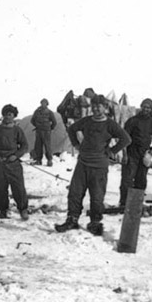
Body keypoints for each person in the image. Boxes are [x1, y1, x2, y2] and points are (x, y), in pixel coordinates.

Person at [55, 94, 131, 235]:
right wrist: (76, 145)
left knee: (97, 196)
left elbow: (126, 139)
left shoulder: (110, 124)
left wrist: (112, 151)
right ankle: (72, 220)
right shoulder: (86, 121)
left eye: (99, 106)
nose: (96, 108)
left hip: (99, 165)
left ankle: (95, 222)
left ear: (105, 107)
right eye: (94, 106)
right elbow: (72, 129)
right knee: (75, 193)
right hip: (82, 163)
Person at [0, 104, 30, 220]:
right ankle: (2, 210)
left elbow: (24, 146)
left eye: (10, 114)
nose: (7, 117)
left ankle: (23, 209)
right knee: (0, 187)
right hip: (0, 162)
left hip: (13, 163)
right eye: (5, 114)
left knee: (18, 187)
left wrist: (15, 156)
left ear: (14, 116)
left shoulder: (17, 130)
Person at [117, 98, 152, 209]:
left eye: (148, 107)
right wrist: (125, 154)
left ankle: (136, 203)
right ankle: (124, 203)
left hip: (143, 155)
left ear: (151, 109)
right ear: (141, 107)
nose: (146, 109)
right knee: (127, 180)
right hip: (131, 153)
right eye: (144, 107)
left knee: (141, 180)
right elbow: (124, 138)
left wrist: (151, 151)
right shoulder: (132, 121)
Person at [31, 98, 57, 166]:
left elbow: (54, 122)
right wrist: (37, 125)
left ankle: (49, 160)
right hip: (39, 131)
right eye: (42, 103)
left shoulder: (49, 112)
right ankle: (38, 160)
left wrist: (50, 128)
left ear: (47, 104)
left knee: (47, 145)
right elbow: (32, 120)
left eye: (45, 103)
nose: (43, 104)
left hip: (46, 131)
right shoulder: (37, 111)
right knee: (38, 146)